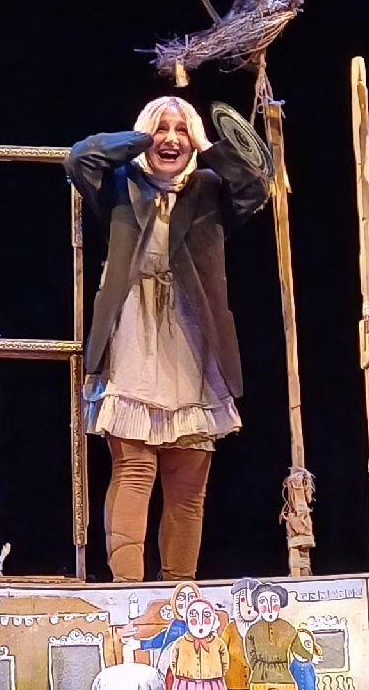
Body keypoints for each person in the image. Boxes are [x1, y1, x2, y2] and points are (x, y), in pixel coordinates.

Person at [69, 96, 269, 581]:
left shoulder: (209, 189)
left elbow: (256, 184)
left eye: (181, 130)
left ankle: (178, 593)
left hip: (192, 334)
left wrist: (206, 143)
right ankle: (128, 592)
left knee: (188, 485)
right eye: (163, 129)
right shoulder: (122, 184)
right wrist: (143, 137)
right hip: (133, 332)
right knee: (135, 470)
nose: (172, 139)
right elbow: (79, 159)